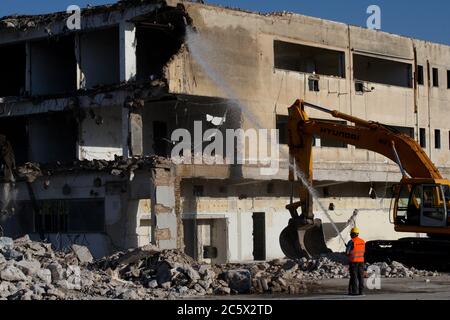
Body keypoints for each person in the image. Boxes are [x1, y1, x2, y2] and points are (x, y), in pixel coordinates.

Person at [346, 227, 365, 296]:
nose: (350, 235)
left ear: (353, 234)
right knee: (361, 277)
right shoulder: (362, 241)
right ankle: (361, 291)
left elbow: (347, 253)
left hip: (354, 262)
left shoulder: (351, 242)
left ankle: (354, 291)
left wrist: (347, 248)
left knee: (354, 277)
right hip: (361, 261)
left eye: (351, 234)